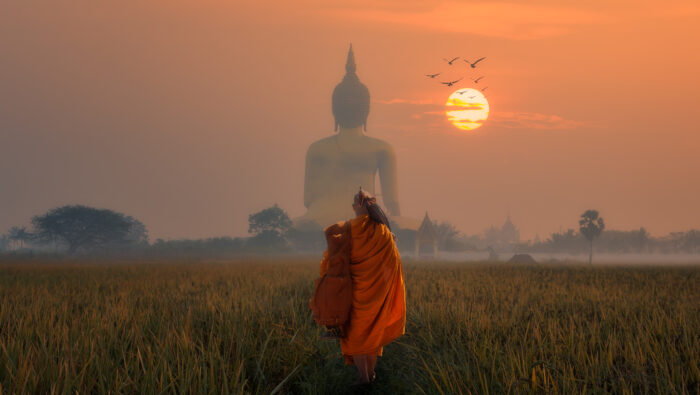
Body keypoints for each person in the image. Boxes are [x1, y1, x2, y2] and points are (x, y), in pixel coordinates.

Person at [317, 188, 406, 385]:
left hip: (353, 294)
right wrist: (384, 289)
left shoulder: (347, 229)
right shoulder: (383, 231)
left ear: (355, 206)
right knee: (372, 337)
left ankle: (363, 377)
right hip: (376, 295)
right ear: (370, 205)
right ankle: (370, 374)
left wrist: (330, 284)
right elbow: (394, 263)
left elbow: (332, 260)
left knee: (355, 336)